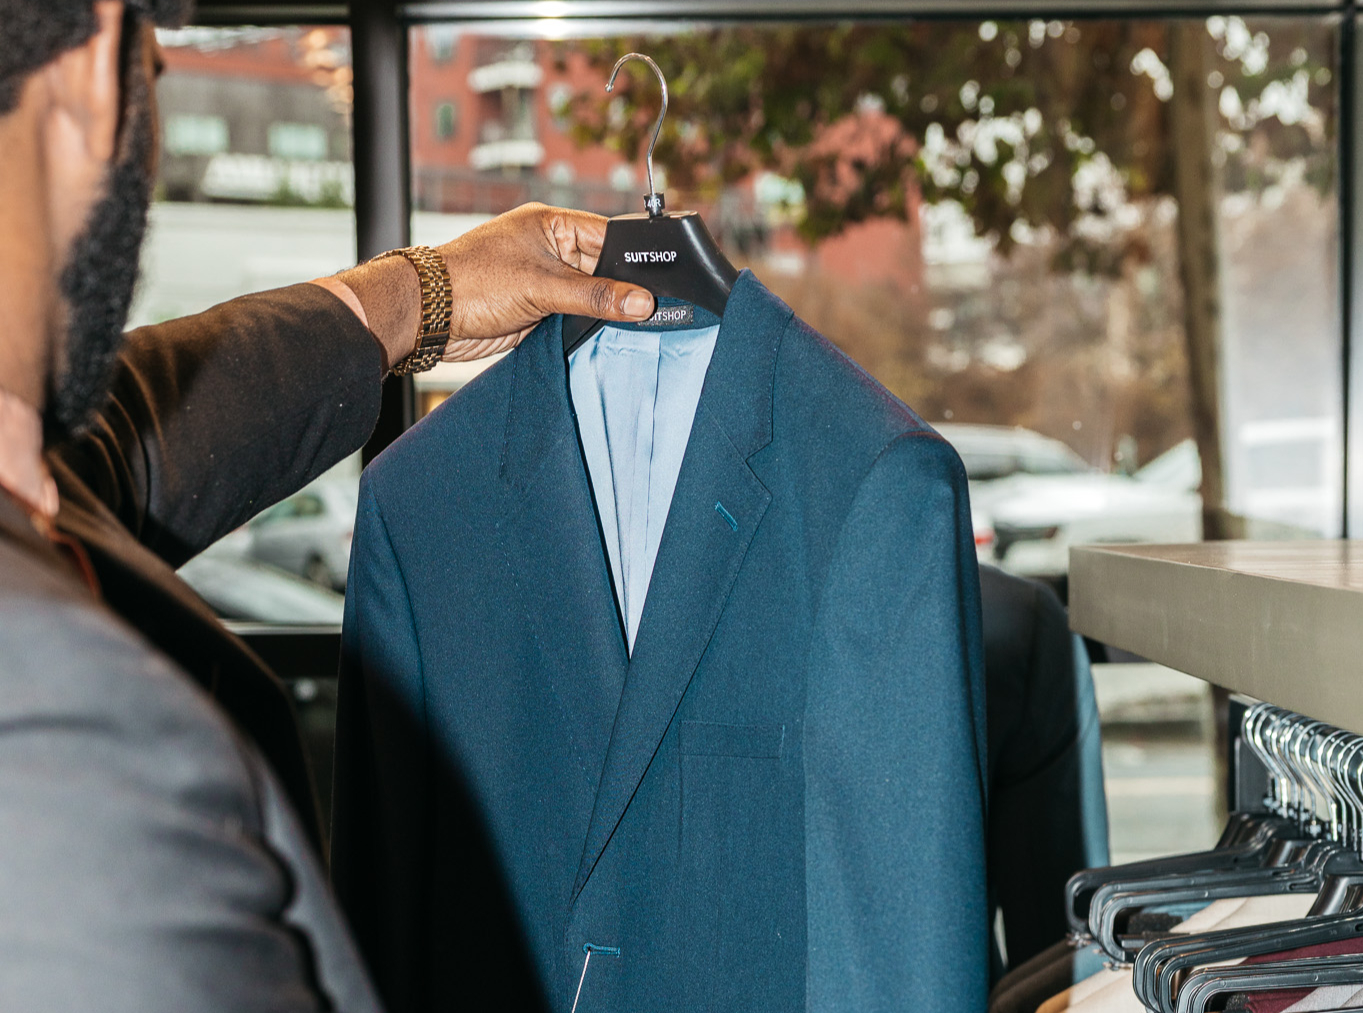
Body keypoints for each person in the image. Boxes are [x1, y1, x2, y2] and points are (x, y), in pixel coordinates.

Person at [0, 0, 655, 1007]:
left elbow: (125, 445)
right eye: (159, 74)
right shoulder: (66, 744)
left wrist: (420, 294)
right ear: (97, 64)